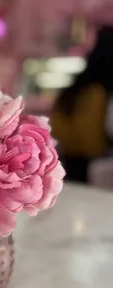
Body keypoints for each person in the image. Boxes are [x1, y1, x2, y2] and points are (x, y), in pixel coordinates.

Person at [51, 26, 113, 183]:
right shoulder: (98, 92)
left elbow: (56, 126)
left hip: (65, 162)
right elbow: (91, 142)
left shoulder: (76, 88)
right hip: (89, 168)